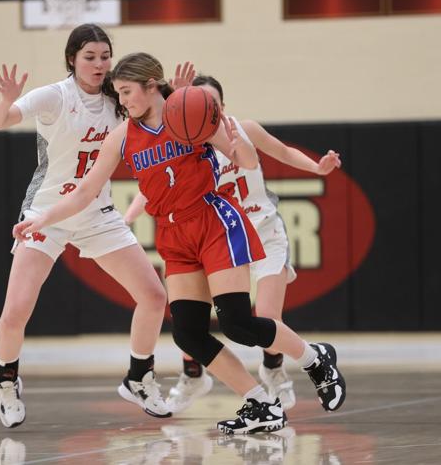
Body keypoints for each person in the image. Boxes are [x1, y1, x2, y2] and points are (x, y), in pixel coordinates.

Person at [15, 52, 346, 434]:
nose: (122, 102)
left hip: (212, 221)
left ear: (151, 85)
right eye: (118, 94)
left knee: (237, 323)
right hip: (173, 235)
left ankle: (315, 358)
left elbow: (246, 160)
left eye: (126, 92)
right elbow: (86, 190)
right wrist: (42, 217)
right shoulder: (123, 135)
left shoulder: (187, 110)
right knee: (188, 332)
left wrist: (230, 136)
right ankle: (260, 400)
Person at [0, 24, 174, 428]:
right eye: (90, 56)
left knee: (154, 296)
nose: (99, 64)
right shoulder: (55, 95)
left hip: (95, 211)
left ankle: (140, 377)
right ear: (72, 58)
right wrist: (5, 101)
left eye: (105, 56)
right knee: (16, 310)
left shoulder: (118, 98)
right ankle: (5, 381)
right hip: (47, 212)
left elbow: (160, 107)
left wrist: (179, 98)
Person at [124, 75, 342, 413]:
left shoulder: (241, 129)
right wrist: (126, 220)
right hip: (216, 232)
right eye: (194, 103)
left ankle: (278, 369)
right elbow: (152, 184)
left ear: (220, 107)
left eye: (207, 105)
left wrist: (316, 166)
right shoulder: (188, 137)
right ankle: (196, 375)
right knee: (191, 321)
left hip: (261, 228)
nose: (200, 111)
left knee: (263, 317)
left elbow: (280, 152)